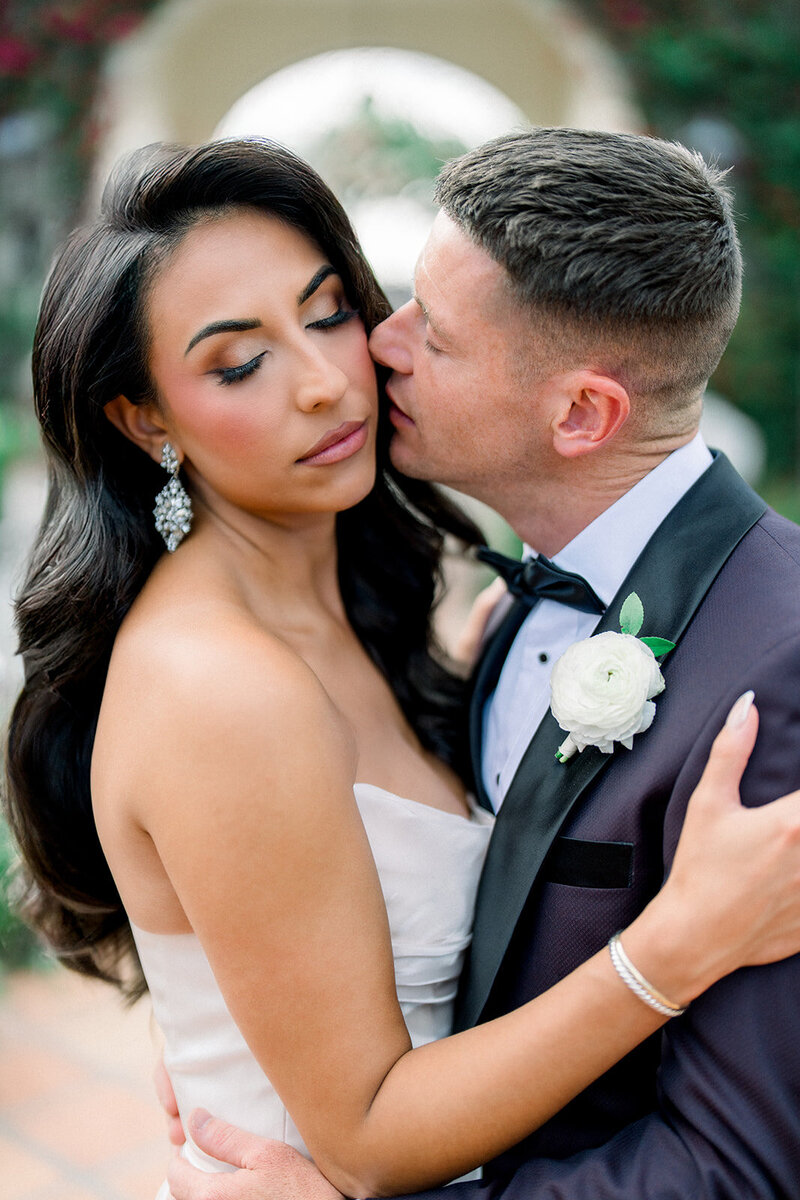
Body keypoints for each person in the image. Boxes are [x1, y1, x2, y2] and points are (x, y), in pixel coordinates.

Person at [5, 136, 800, 1200]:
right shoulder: (219, 686)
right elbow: (366, 1128)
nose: (339, 375)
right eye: (240, 363)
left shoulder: (422, 616)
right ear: (145, 418)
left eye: (330, 309)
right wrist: (667, 951)